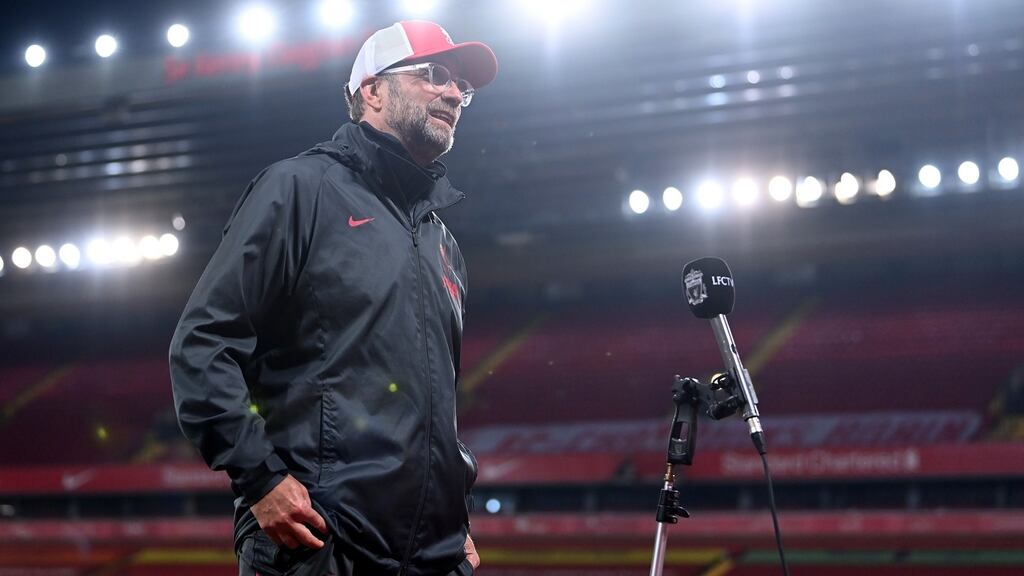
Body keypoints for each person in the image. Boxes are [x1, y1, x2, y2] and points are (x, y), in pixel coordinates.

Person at [168, 20, 497, 576]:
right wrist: (262, 480)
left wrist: (455, 515)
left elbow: (439, 404)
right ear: (371, 89)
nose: (453, 95)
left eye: (461, 86)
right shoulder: (299, 189)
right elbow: (202, 345)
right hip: (322, 542)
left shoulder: (443, 240)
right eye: (434, 75)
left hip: (435, 552)